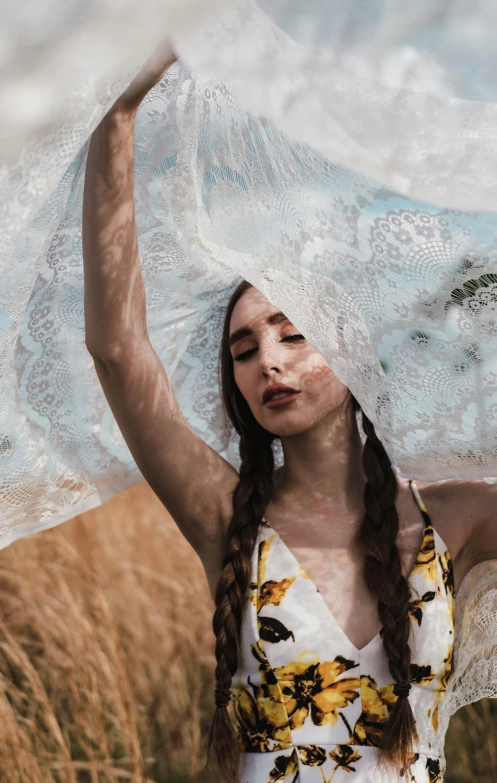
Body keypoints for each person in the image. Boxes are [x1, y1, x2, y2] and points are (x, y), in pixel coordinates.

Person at [82, 50, 497, 783]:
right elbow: (118, 349)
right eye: (244, 349)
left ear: (348, 351)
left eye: (293, 333)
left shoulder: (456, 520)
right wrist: (118, 117)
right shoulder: (226, 514)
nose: (269, 361)